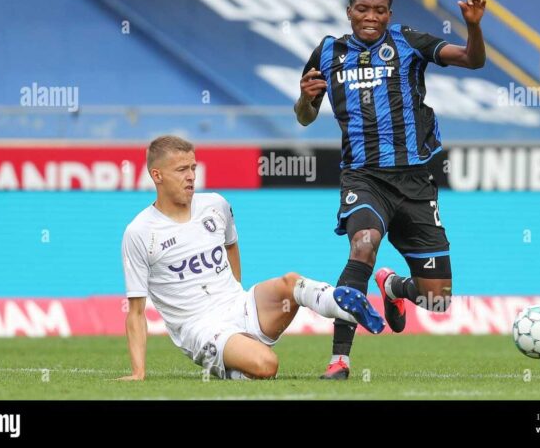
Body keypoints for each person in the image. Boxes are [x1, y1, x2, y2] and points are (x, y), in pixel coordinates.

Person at [294, 0, 486, 379]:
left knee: (438, 301)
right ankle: (339, 360)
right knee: (363, 244)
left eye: (379, 10)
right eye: (362, 9)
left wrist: (473, 30)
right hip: (363, 178)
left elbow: (472, 60)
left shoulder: (408, 43)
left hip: (416, 182)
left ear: (388, 13)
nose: (370, 17)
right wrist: (305, 101)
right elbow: (305, 117)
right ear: (349, 11)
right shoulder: (328, 52)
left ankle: (393, 286)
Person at [117, 135, 384, 381]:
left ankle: (341, 303)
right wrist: (138, 372)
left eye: (193, 168)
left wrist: (235, 291)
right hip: (201, 328)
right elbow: (137, 312)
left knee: (291, 283)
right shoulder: (140, 232)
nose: (191, 177)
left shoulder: (215, 205)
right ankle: (235, 364)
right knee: (267, 365)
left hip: (239, 304)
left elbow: (231, 245)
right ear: (157, 175)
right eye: (181, 170)